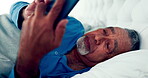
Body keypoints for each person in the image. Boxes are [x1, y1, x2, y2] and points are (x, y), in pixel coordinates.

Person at [8, 0, 140, 78]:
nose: (98, 37)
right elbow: (16, 6)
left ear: (108, 61)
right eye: (105, 31)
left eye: (108, 45)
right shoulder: (73, 26)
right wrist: (25, 13)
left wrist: (28, 57)